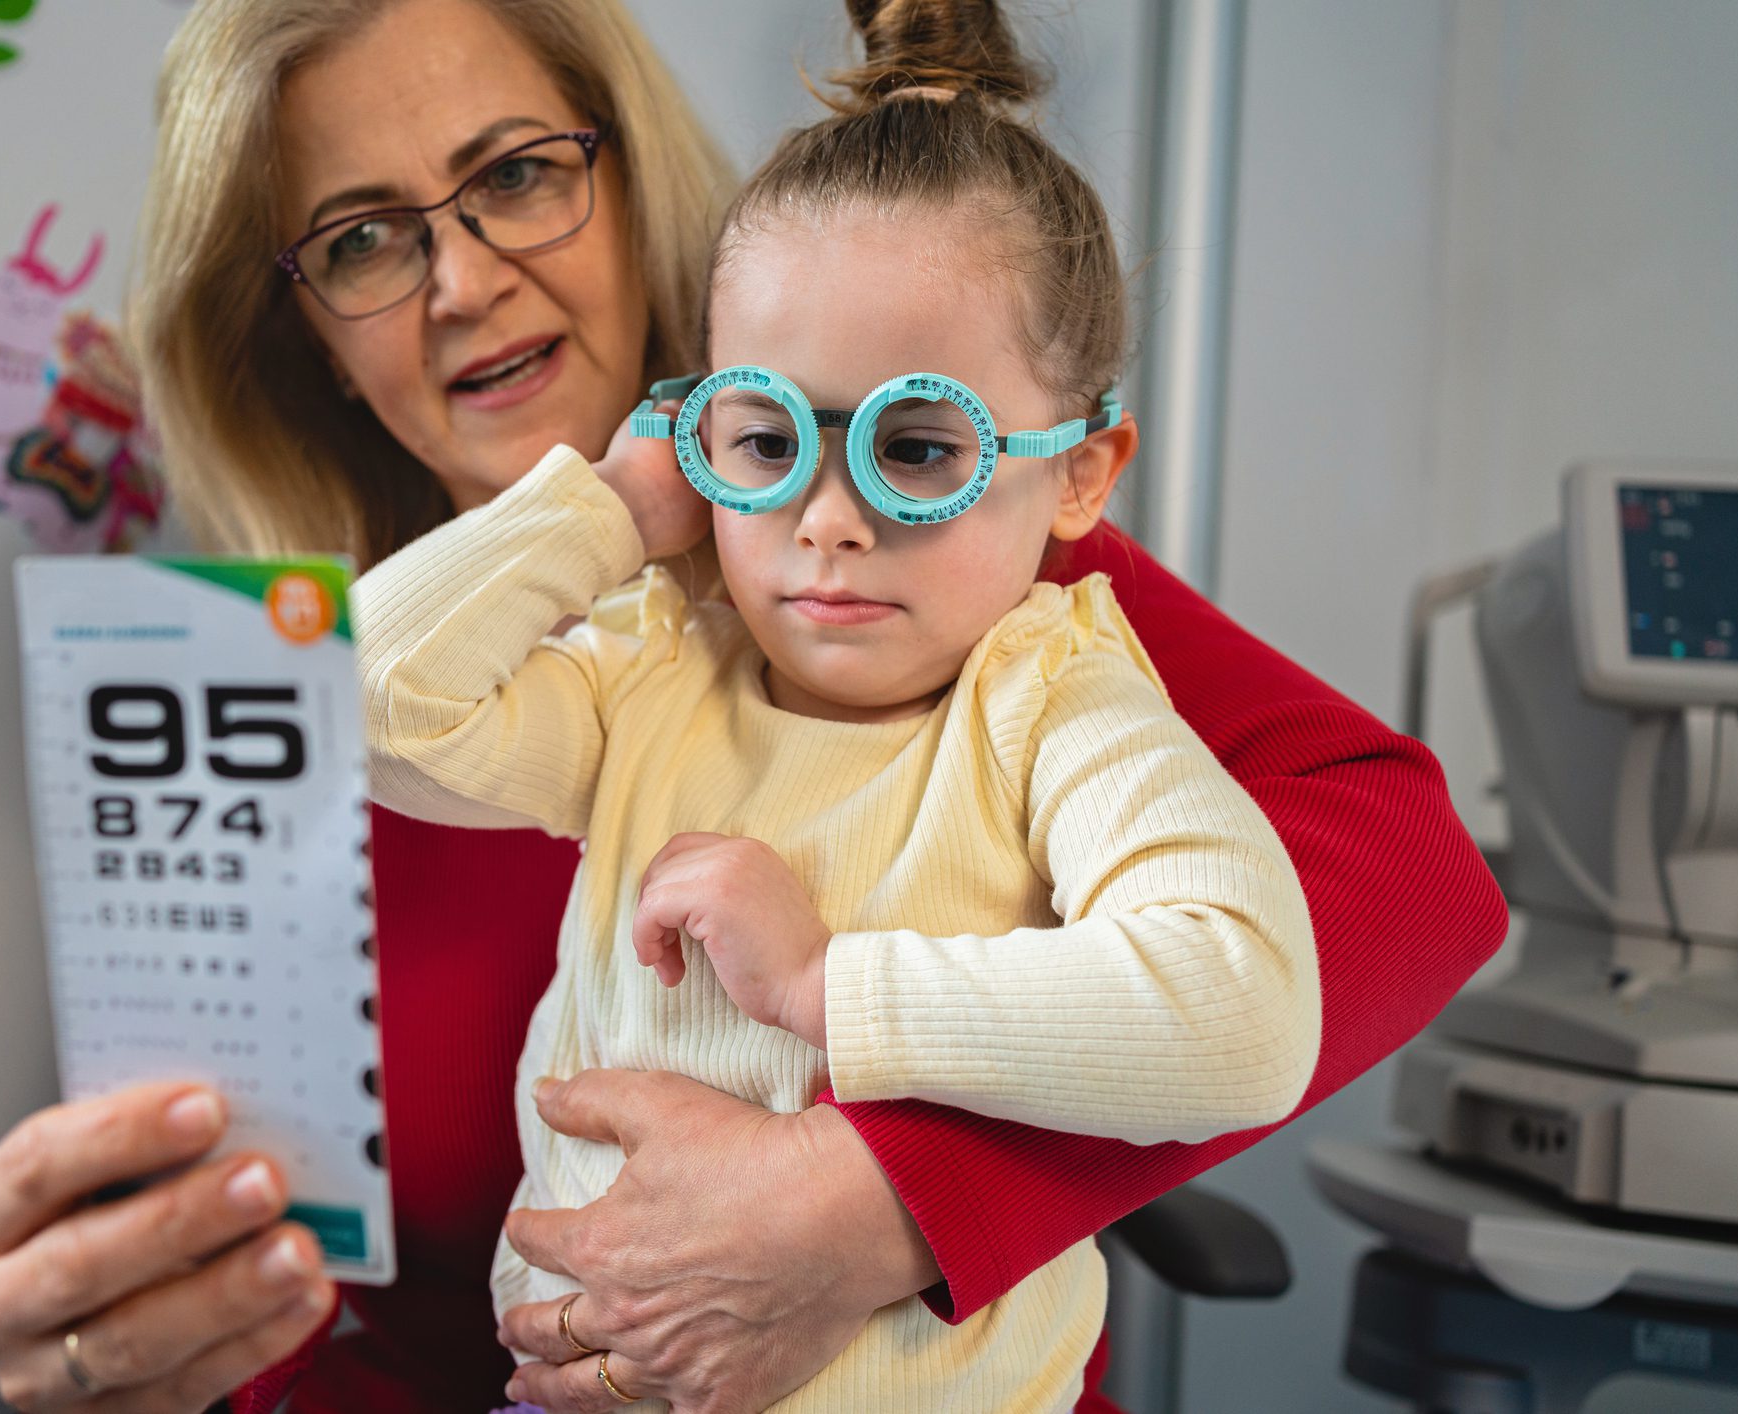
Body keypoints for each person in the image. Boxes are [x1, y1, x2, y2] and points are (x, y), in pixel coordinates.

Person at [0, 0, 1507, 1410]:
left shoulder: (921, 553)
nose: (466, 280)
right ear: (308, 337)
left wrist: (876, 1192)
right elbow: (276, 1313)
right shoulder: (246, 688)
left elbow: (1408, 875)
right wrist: (134, 1357)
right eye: (360, 238)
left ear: (633, 177)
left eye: (518, 173)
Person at [352, 1, 1324, 1401]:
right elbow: (372, 699)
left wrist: (828, 985)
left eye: (917, 446)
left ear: (1082, 472)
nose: (826, 518)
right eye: (764, 437)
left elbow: (1248, 1010)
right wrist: (616, 506)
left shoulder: (1055, 703)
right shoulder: (655, 671)